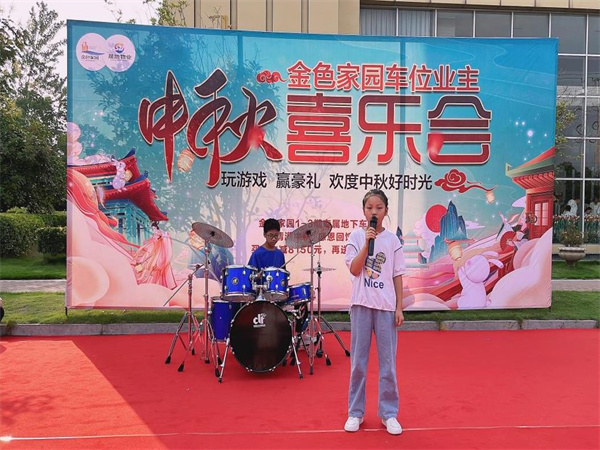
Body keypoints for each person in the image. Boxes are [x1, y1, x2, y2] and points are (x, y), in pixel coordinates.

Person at [343, 189, 406, 436]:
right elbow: (354, 269)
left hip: (385, 307)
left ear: (386, 211)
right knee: (358, 363)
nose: (374, 212)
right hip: (361, 305)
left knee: (388, 365)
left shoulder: (393, 241)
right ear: (364, 211)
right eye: (369, 207)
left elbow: (397, 275)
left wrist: (399, 307)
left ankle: (389, 413)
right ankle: (355, 412)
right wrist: (367, 243)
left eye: (379, 208)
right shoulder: (357, 236)